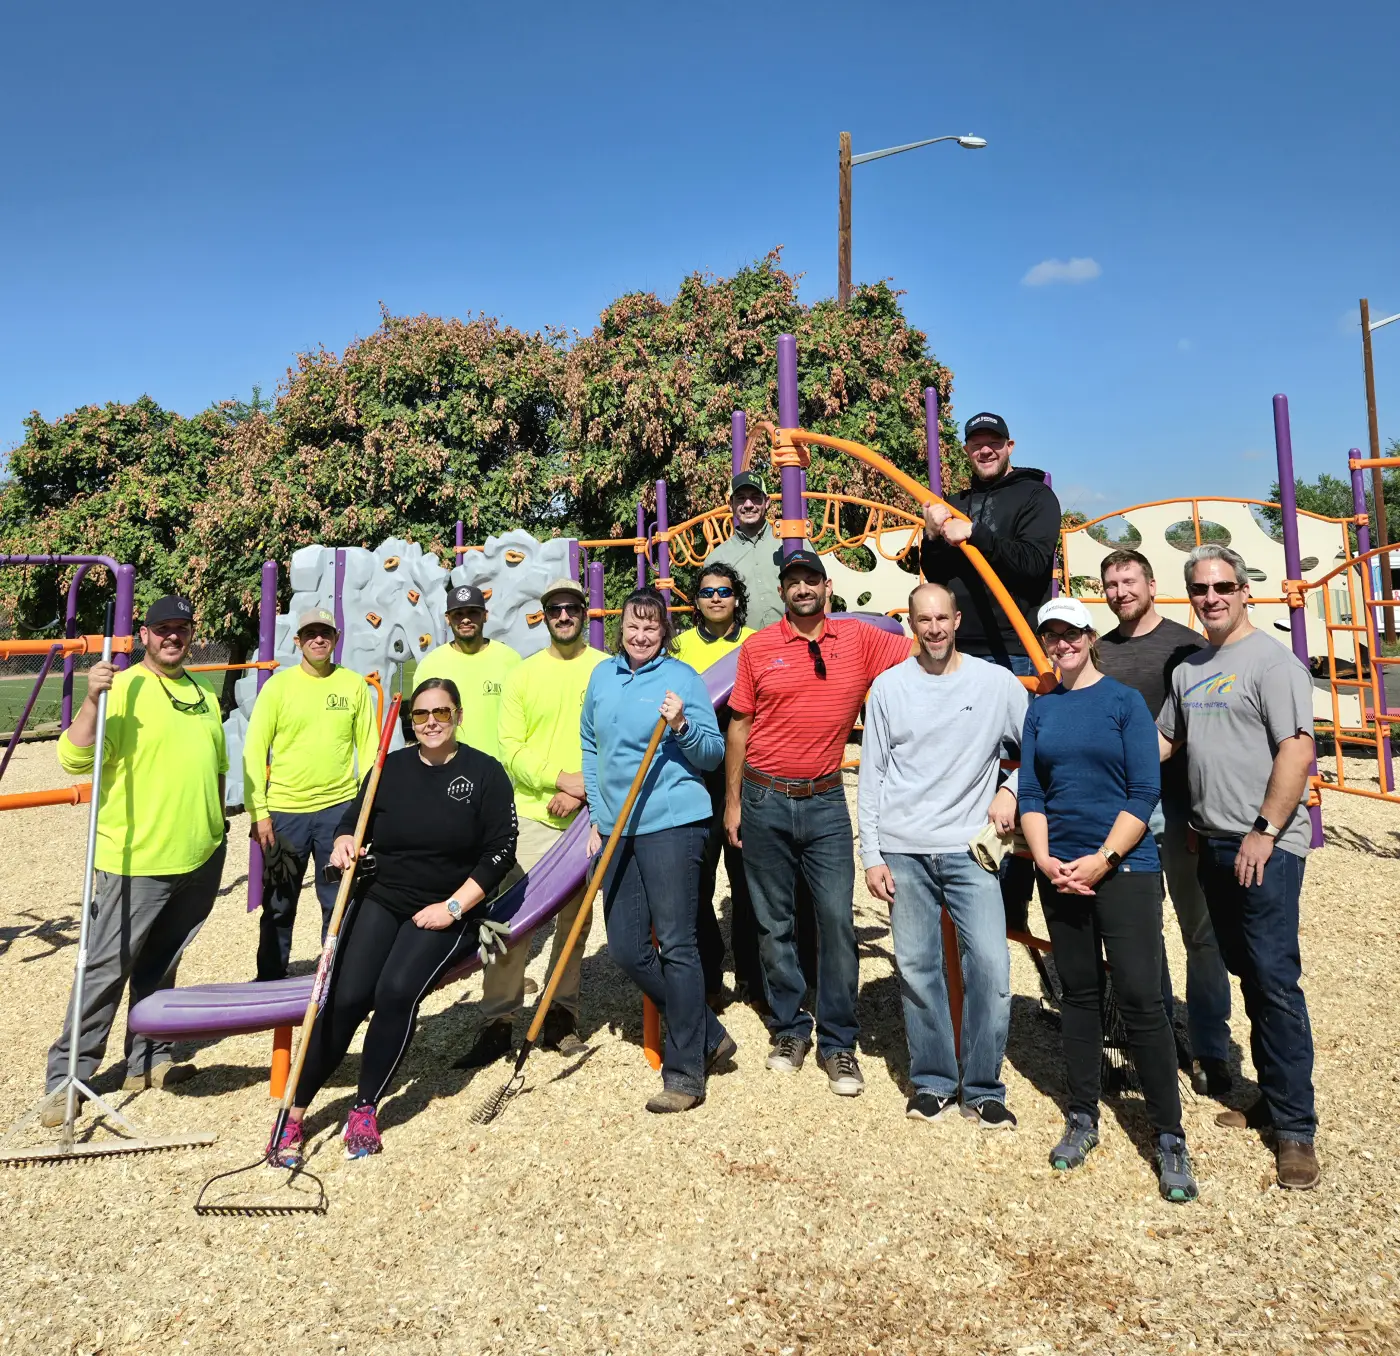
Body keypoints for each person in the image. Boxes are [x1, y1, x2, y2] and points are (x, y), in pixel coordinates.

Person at [268, 677, 517, 1162]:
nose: (430, 723)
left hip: (448, 907)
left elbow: (498, 853)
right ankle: (295, 1112)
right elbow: (353, 820)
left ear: (458, 716)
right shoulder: (390, 767)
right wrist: (343, 842)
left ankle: (365, 1106)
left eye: (441, 713)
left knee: (396, 991)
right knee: (344, 998)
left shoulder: (485, 773)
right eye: (421, 715)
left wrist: (454, 908)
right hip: (384, 896)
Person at [1018, 597, 1197, 1203]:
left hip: (1123, 867)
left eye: (1072, 633)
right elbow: (1033, 790)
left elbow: (1145, 788)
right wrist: (1045, 860)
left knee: (1143, 996)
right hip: (1060, 866)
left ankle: (1168, 1134)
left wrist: (1105, 859)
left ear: (1091, 636)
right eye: (1053, 636)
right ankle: (1083, 1113)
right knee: (1079, 994)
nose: (1062, 643)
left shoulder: (1123, 703)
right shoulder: (1041, 710)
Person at [1157, 544, 1320, 1191]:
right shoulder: (1192, 668)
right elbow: (1165, 740)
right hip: (1214, 843)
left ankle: (1297, 1130)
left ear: (1245, 590)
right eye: (1201, 589)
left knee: (1275, 980)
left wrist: (1263, 830)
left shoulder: (1272, 664)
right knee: (1246, 971)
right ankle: (1269, 1101)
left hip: (1266, 846)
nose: (1213, 597)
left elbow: (1297, 748)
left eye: (1224, 585)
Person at [725, 547, 912, 1097]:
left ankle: (838, 1042)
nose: (802, 588)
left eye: (812, 580)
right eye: (793, 582)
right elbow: (739, 726)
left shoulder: (856, 640)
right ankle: (789, 1028)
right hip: (763, 795)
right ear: (782, 592)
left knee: (835, 920)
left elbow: (926, 649)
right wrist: (733, 802)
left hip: (826, 800)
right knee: (773, 920)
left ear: (828, 588)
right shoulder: (759, 648)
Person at [39, 596, 228, 1126]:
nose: (173, 637)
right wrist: (93, 701)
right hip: (135, 858)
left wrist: (217, 825)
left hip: (200, 853)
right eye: (162, 629)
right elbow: (73, 757)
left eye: (182, 628)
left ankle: (150, 1059)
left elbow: (215, 765)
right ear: (143, 635)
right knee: (105, 968)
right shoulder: (122, 688)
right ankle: (68, 1079)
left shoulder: (202, 692)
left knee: (163, 964)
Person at [859, 582, 1028, 1129]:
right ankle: (932, 1080)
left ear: (957, 620)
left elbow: (1041, 750)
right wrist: (872, 854)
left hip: (969, 849)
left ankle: (982, 1086)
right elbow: (873, 775)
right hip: (905, 848)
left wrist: (1012, 788)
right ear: (910, 623)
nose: (933, 628)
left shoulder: (995, 684)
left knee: (992, 969)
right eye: (922, 620)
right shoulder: (888, 688)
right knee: (917, 967)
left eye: (941, 618)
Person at [581, 588, 732, 1112]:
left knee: (676, 942)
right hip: (618, 826)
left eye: (651, 627)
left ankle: (686, 1072)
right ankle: (708, 1031)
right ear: (620, 629)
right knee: (625, 945)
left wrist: (683, 725)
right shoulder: (602, 676)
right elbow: (589, 747)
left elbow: (712, 755)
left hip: (672, 820)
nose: (641, 635)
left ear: (664, 632)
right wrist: (601, 817)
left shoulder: (682, 680)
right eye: (632, 626)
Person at [1096, 548, 1232, 1095]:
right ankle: (1150, 1031)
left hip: (1177, 805)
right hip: (1123, 808)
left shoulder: (1186, 647)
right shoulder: (1100, 651)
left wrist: (1206, 808)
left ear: (1151, 584)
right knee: (1138, 931)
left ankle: (1210, 1047)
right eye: (1111, 584)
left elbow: (1204, 732)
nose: (1121, 591)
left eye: (1129, 581)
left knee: (1199, 930)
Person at [919, 411, 1061, 934]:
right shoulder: (956, 500)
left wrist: (973, 533)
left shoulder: (1035, 497)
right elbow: (936, 569)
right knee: (960, 754)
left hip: (1014, 648)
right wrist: (936, 535)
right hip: (961, 645)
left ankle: (1018, 877)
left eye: (992, 443)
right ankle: (965, 864)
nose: (984, 450)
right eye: (976, 443)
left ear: (1009, 445)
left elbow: (1030, 563)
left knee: (1018, 759)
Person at [456, 576, 606, 1068]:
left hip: (588, 814)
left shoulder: (606, 670)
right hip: (532, 818)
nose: (564, 616)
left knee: (574, 924)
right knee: (505, 922)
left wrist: (583, 786)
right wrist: (557, 780)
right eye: (555, 609)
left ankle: (561, 1017)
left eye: (571, 608)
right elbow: (510, 748)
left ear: (584, 612)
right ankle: (497, 1021)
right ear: (544, 615)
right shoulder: (524, 675)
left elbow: (619, 739)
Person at [243, 608, 379, 981]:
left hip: (339, 813)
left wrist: (366, 810)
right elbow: (254, 749)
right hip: (285, 814)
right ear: (298, 641)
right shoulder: (279, 687)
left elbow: (368, 750)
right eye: (310, 634)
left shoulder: (352, 685)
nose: (319, 639)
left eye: (325, 633)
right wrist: (259, 812)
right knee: (278, 902)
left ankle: (334, 979)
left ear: (335, 639)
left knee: (337, 900)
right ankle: (269, 979)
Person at [673, 562, 760, 1002]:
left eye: (724, 591)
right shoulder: (679, 647)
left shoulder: (754, 644)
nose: (715, 599)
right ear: (696, 601)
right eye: (707, 592)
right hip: (696, 776)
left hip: (747, 771)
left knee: (748, 881)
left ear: (737, 598)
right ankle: (708, 974)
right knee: (697, 879)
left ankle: (753, 974)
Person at [412, 584, 521, 762]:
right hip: (448, 771)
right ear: (448, 618)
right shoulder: (429, 666)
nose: (465, 620)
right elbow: (422, 724)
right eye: (458, 614)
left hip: (502, 770)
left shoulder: (510, 660)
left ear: (485, 616)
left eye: (473, 613)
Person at [705, 471, 785, 629]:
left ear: (767, 502)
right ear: (730, 504)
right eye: (741, 498)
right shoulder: (716, 559)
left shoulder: (790, 541)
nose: (748, 505)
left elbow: (820, 591)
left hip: (795, 644)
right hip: (743, 648)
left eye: (755, 497)